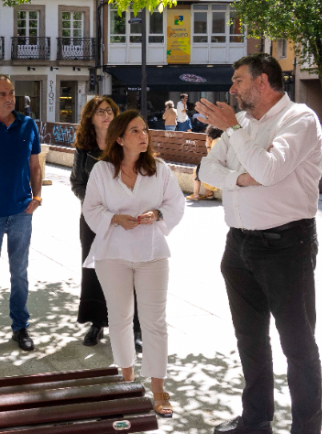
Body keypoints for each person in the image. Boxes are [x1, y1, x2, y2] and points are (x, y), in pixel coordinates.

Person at [197, 53, 322, 434]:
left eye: (238, 80)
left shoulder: (299, 120)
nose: (232, 89)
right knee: (250, 339)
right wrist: (241, 178)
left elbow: (268, 170)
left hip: (286, 246)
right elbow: (206, 169)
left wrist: (234, 132)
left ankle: (306, 429)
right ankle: (256, 419)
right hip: (238, 246)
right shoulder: (246, 124)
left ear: (263, 81)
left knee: (297, 344)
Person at [82, 110, 185, 418]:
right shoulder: (102, 171)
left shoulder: (160, 169)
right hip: (112, 253)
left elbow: (175, 204)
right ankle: (128, 381)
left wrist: (158, 214)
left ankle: (158, 388)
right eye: (136, 131)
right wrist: (113, 218)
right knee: (120, 318)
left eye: (144, 130)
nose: (144, 135)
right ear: (119, 138)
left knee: (155, 322)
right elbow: (90, 209)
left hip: (152, 251)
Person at [0, 74, 42, 353]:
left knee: (20, 273)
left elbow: (36, 165)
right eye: (2, 94)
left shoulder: (28, 125)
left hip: (22, 212)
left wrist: (37, 196)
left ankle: (20, 326)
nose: (9, 98)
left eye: (11, 93)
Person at [70, 96, 144, 350]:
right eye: (100, 111)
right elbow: (76, 183)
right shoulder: (84, 149)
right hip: (94, 220)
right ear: (90, 118)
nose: (106, 115)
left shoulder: (125, 143)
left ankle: (135, 327)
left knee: (129, 271)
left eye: (110, 111)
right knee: (94, 271)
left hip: (127, 219)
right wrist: (96, 205)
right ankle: (97, 323)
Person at [187, 126, 223, 201]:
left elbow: (211, 158)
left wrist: (208, 146)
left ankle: (196, 194)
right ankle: (208, 192)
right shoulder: (221, 140)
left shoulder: (216, 141)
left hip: (218, 174)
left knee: (197, 169)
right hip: (223, 169)